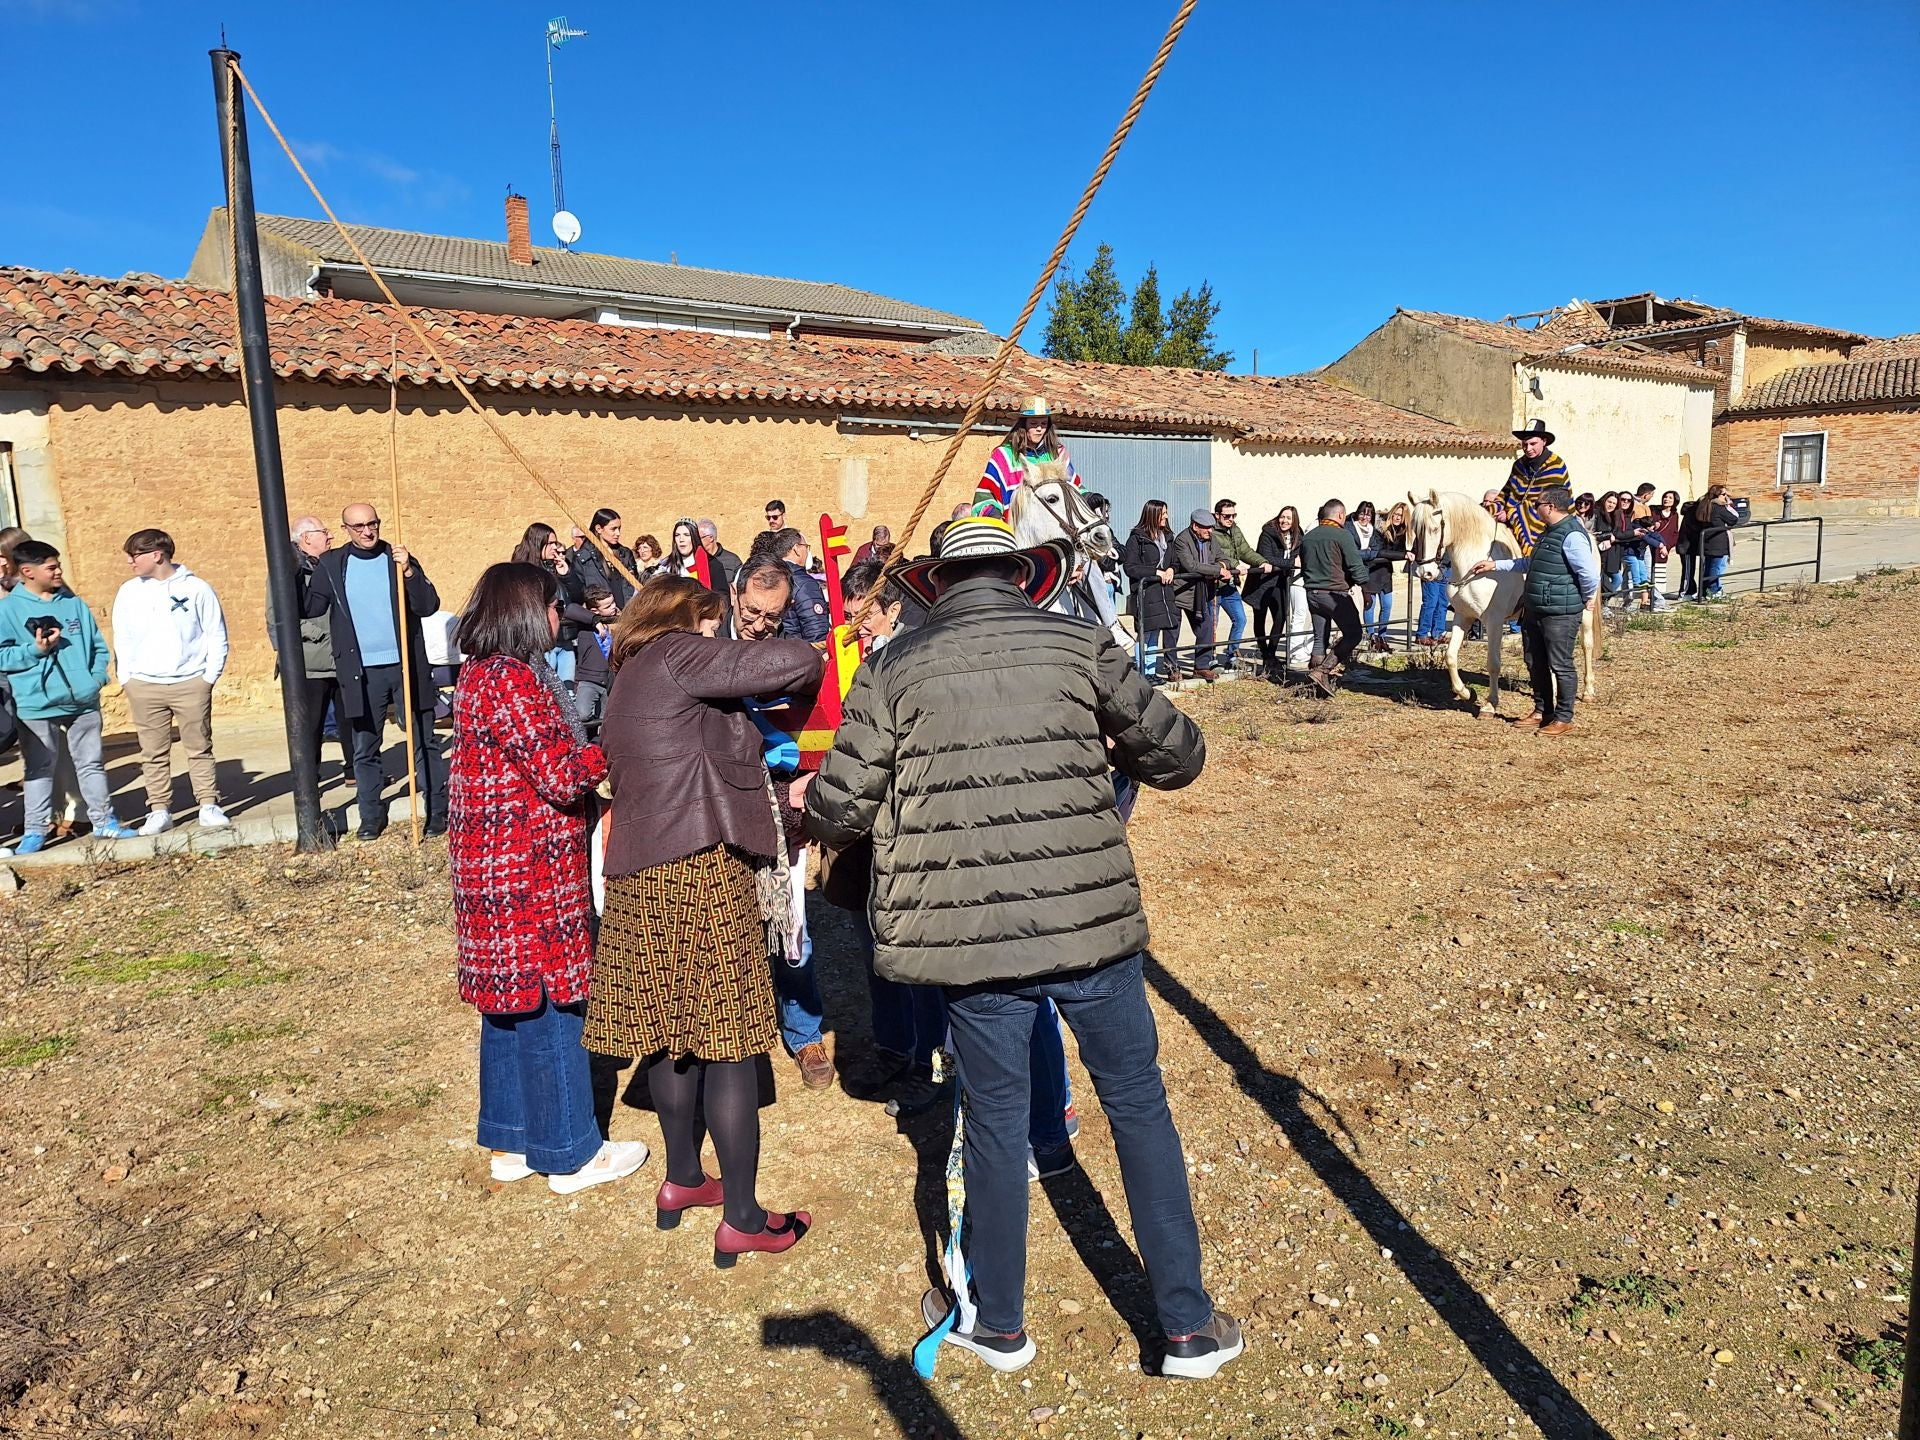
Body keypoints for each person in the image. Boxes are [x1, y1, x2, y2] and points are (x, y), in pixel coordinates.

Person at [803, 515, 1240, 1381]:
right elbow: (1181, 754)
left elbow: (836, 808)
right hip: (1090, 928)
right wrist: (1115, 741)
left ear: (936, 587)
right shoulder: (1082, 644)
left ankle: (998, 1324)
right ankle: (1187, 1326)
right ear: (1021, 576)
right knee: (1138, 1106)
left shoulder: (895, 668)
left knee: (997, 1124)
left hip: (971, 939)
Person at [588, 576, 822, 1265]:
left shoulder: (632, 670)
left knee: (668, 1030)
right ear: (688, 615)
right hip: (697, 863)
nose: (718, 632)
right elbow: (797, 664)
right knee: (727, 1042)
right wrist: (818, 642)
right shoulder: (680, 652)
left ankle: (684, 1178)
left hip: (639, 866)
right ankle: (744, 1216)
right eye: (713, 619)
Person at [448, 561, 647, 1194]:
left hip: (493, 865)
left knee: (506, 1005)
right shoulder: (511, 680)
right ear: (525, 612)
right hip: (527, 868)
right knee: (552, 1005)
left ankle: (510, 1140)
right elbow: (560, 775)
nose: (561, 618)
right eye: (554, 607)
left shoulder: (482, 674)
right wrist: (608, 747)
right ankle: (569, 1151)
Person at [731, 558, 835, 1089]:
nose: (759, 623)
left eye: (772, 615)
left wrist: (808, 775)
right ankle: (738, 1040)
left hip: (780, 809)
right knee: (731, 931)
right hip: (721, 807)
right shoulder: (705, 646)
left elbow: (819, 724)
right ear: (734, 594)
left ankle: (804, 1029)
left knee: (792, 926)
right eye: (752, 610)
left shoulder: (791, 657)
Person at [300, 502, 447, 840]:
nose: (368, 531)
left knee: (424, 742)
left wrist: (410, 571)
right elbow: (311, 606)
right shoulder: (333, 564)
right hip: (361, 672)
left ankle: (437, 811)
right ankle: (370, 815)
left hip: (406, 665)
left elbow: (427, 605)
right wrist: (293, 570)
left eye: (373, 524)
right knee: (365, 746)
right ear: (346, 530)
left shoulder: (396, 559)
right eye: (359, 526)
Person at [0, 540, 136, 850]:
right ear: (27, 572)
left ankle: (105, 822)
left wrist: (95, 679)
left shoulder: (73, 603)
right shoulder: (6, 610)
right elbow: (2, 656)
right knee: (38, 770)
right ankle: (35, 832)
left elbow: (98, 647)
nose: (59, 570)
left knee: (91, 764)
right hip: (36, 704)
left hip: (82, 701)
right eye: (51, 567)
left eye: (58, 564)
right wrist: (35, 650)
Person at [111, 528, 230, 834]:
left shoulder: (197, 588)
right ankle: (159, 809)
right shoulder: (129, 591)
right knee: (152, 751)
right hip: (144, 684)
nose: (130, 562)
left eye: (135, 555)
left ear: (157, 555)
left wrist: (208, 677)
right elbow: (121, 636)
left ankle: (208, 804)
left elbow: (215, 634)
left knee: (199, 745)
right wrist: (127, 677)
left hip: (190, 681)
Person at [1467, 484, 1598, 735]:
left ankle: (1563, 717)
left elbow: (1588, 574)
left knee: (1560, 664)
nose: (1534, 508)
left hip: (1560, 612)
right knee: (1534, 661)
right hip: (1535, 608)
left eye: (1537, 504)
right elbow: (1529, 562)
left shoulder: (1571, 535)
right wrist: (1495, 564)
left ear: (1550, 506)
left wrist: (1587, 598)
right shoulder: (1548, 532)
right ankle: (1542, 711)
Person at [270, 516, 352, 787]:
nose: (330, 537)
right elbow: (277, 618)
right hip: (308, 662)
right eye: (324, 532)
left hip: (339, 657)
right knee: (310, 726)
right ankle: (308, 779)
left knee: (352, 719)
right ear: (306, 539)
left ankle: (355, 772)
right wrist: (316, 635)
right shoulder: (287, 571)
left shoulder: (333, 566)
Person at [1300, 499, 1369, 694]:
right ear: (1340, 515)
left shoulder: (1308, 537)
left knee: (1319, 639)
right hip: (1334, 593)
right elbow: (1356, 567)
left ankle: (1315, 685)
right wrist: (1366, 590)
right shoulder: (1342, 535)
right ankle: (1323, 671)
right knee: (1354, 634)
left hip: (1312, 593)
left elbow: (1304, 566)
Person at [973, 397, 1081, 519]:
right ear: (1023, 426)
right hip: (1014, 529)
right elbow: (985, 493)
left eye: (1044, 424)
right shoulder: (1003, 455)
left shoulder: (1057, 454)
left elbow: (1074, 486)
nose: (1039, 429)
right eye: (1034, 424)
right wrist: (992, 512)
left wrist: (1089, 497)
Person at [1120, 501, 1179, 685]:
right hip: (1146, 592)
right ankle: (1142, 671)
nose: (1166, 517)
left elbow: (1174, 561)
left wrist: (1171, 570)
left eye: (1166, 513)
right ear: (1152, 515)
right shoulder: (1137, 539)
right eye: (1163, 514)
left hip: (1163, 592)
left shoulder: (1168, 537)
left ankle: (1151, 671)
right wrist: (1155, 572)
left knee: (1155, 633)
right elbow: (1130, 567)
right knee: (1145, 633)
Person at [1167, 508, 1229, 682]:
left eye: (1211, 527)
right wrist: (1218, 570)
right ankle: (1172, 668)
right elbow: (1191, 566)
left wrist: (1223, 565)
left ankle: (1201, 666)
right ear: (1195, 526)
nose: (1210, 531)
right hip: (1181, 592)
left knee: (1206, 627)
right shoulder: (1182, 540)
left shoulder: (1211, 539)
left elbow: (1222, 556)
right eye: (1206, 527)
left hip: (1201, 592)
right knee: (1173, 633)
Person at [1209, 498, 1268, 669]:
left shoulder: (1235, 530)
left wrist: (1261, 562)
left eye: (1234, 515)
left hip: (1229, 586)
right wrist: (1235, 565)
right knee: (1212, 625)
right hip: (1213, 586)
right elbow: (1217, 555)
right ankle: (1210, 659)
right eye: (1227, 516)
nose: (1231, 519)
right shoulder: (1211, 532)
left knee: (1240, 619)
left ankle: (1232, 655)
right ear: (1217, 515)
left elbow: (1245, 550)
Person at [1499, 419, 1571, 553]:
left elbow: (1554, 503)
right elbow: (1507, 492)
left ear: (1544, 441)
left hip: (1547, 518)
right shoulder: (1519, 465)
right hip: (1515, 515)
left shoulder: (1556, 465)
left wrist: (1512, 513)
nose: (1528, 448)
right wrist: (1496, 507)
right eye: (1524, 444)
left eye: (1533, 444)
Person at [1252, 505, 1305, 674]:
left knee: (1281, 616)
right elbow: (1266, 556)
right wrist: (1291, 563)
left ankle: (1271, 653)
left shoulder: (1298, 535)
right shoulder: (1268, 533)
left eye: (1289, 518)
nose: (1284, 521)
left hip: (1281, 582)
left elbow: (1300, 556)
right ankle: (1264, 652)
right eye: (1282, 517)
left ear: (1294, 520)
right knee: (1260, 617)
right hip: (1262, 582)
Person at [760, 528, 831, 644]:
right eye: (806, 547)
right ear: (796, 549)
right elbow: (817, 634)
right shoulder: (805, 584)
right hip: (800, 654)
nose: (807, 552)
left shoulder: (766, 576)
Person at [569, 585, 618, 733]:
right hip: (589, 679)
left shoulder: (617, 618)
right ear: (594, 610)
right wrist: (595, 621)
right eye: (608, 606)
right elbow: (570, 609)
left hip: (610, 680)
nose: (614, 607)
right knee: (582, 714)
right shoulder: (586, 622)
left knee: (607, 722)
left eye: (613, 602)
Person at [1362, 503, 1410, 652]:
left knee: (1387, 605)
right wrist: (1403, 555)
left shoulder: (1401, 532)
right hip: (1372, 570)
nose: (1397, 517)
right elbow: (1380, 551)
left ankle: (1382, 637)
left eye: (1400, 515)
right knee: (1370, 605)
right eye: (1395, 514)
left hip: (1386, 572)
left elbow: (1401, 550)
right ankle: (1371, 637)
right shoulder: (1379, 529)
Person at [572, 509, 639, 609]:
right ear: (599, 529)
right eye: (613, 529)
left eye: (619, 528)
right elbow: (580, 592)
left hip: (627, 614)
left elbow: (634, 585)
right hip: (602, 617)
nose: (618, 533)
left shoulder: (625, 554)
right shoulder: (583, 558)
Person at [1694, 485, 1742, 599]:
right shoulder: (1718, 507)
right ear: (1717, 495)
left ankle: (1704, 591)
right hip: (1718, 542)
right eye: (1724, 495)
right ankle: (1714, 591)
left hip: (1706, 541)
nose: (1726, 497)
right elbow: (1734, 519)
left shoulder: (1704, 505)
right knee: (1716, 567)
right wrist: (1727, 506)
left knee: (1708, 567)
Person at [1645, 491, 1681, 611]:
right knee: (1649, 573)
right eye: (1665, 496)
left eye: (1670, 498)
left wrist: (1668, 546)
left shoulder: (1674, 515)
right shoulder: (1654, 511)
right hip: (1651, 546)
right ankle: (1651, 600)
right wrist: (1654, 525)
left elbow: (1675, 533)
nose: (1666, 499)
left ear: (1675, 501)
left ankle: (1657, 600)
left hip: (1663, 549)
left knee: (1659, 574)